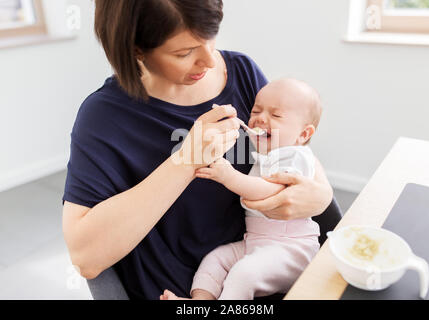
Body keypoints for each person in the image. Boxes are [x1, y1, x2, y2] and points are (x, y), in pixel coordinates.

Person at [62, 0, 334, 300]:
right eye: (185, 52)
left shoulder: (241, 71)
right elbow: (85, 258)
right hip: (177, 290)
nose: (209, 60)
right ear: (136, 49)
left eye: (210, 37)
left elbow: (294, 149)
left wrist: (321, 194)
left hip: (266, 272)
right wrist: (186, 160)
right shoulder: (103, 117)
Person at [160, 78, 323, 300]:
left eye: (275, 116)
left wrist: (229, 176)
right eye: (256, 111)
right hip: (255, 241)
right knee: (214, 260)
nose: (260, 119)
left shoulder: (296, 156)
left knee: (243, 274)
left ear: (303, 134)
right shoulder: (264, 154)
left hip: (292, 250)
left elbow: (272, 192)